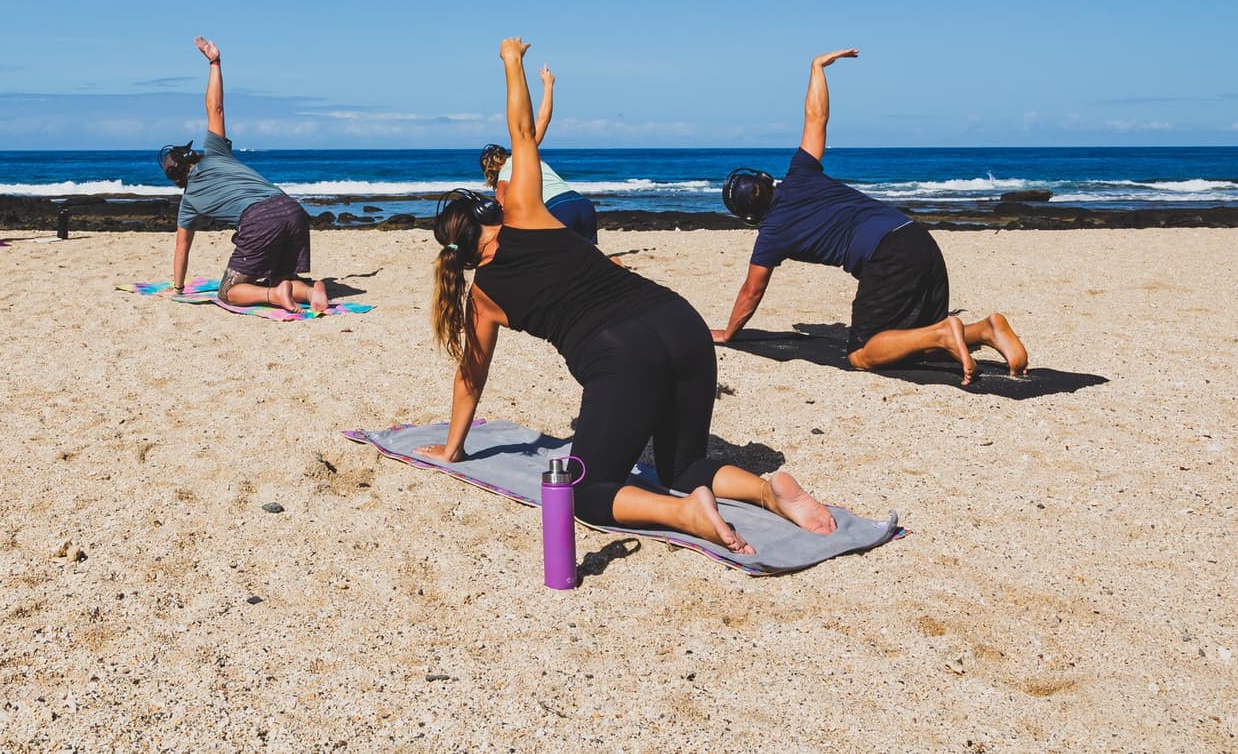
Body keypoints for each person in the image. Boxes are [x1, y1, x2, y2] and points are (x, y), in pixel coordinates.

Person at [421, 37, 842, 554]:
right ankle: (765, 489)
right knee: (682, 464)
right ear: (487, 212)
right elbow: (523, 130)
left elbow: (471, 376)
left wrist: (452, 448)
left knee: (586, 492)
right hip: (680, 320)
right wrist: (513, 63)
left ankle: (685, 513)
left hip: (620, 352)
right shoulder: (527, 209)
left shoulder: (481, 297)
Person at [714, 49, 1029, 386]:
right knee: (911, 344)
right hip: (917, 238)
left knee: (862, 353)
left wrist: (730, 332)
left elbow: (751, 290)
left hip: (888, 256)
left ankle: (945, 333)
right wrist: (817, 68)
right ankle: (985, 329)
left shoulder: (772, 234)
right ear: (764, 179)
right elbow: (816, 117)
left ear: (748, 215)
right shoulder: (801, 172)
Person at [159, 37, 332, 313]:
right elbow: (215, 107)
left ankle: (275, 296)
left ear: (176, 178)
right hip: (291, 208)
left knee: (228, 291)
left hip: (259, 218)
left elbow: (182, 247)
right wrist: (214, 62)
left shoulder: (189, 202)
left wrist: (178, 288)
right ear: (191, 156)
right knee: (283, 276)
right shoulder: (215, 151)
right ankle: (312, 291)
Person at [478, 63, 599, 243]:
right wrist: (548, 85)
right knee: (587, 260)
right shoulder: (527, 152)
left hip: (558, 208)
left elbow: (503, 208)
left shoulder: (505, 176)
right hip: (582, 204)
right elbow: (543, 119)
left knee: (556, 259)